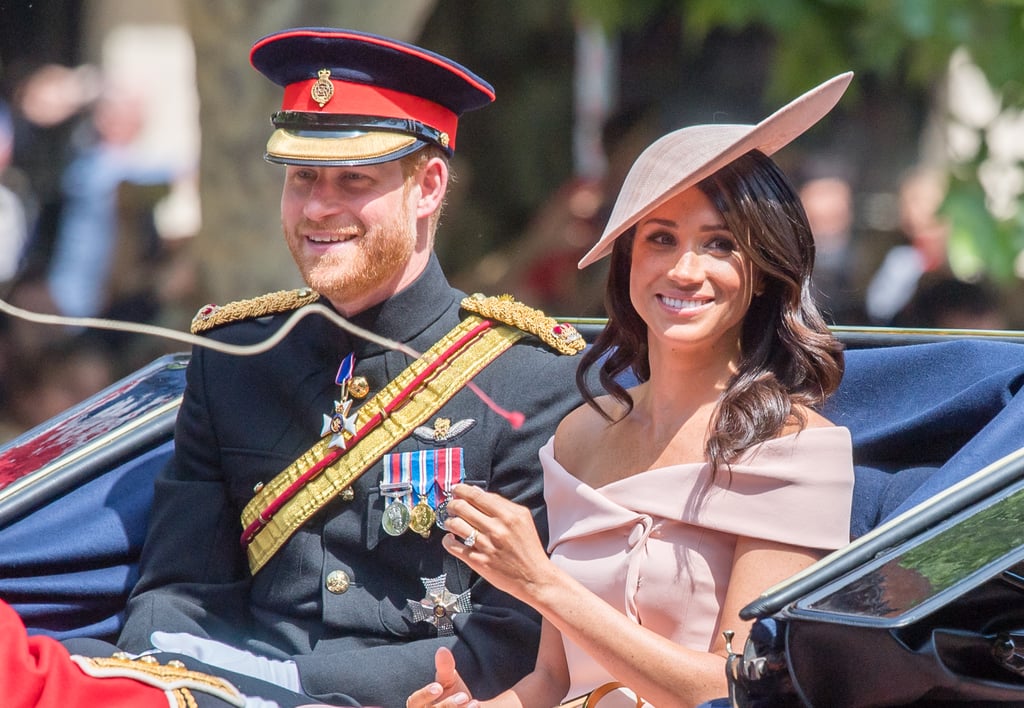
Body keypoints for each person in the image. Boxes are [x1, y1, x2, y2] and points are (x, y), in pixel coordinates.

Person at [113, 27, 588, 708]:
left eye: (353, 181)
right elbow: (178, 592)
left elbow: (513, 639)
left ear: (426, 187)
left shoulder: (530, 379)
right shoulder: (236, 359)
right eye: (302, 178)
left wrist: (293, 688)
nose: (316, 209)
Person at [407, 72, 857, 707]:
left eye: (720, 244)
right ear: (628, 261)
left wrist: (541, 583)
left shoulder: (796, 449)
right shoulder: (579, 437)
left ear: (761, 272)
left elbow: (734, 686)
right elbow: (555, 680)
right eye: (661, 239)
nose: (684, 270)